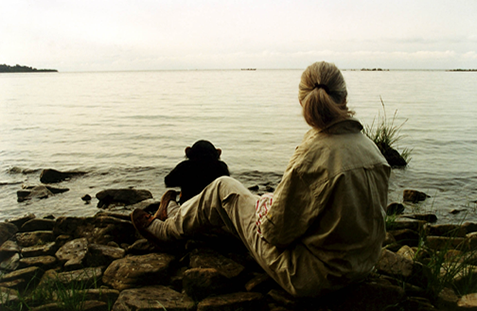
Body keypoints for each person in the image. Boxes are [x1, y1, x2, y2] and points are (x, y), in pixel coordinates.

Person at [131, 61, 390, 297]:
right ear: (344, 97)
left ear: (302, 102)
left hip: (312, 276)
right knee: (252, 202)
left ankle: (165, 228)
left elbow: (274, 233)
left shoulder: (312, 156)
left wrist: (265, 209)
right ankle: (179, 213)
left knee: (224, 188)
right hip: (360, 267)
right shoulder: (373, 151)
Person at [153, 140, 230, 221]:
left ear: (188, 152)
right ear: (218, 153)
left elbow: (168, 182)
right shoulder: (221, 167)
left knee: (169, 197)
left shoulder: (185, 166)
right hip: (214, 211)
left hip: (187, 211)